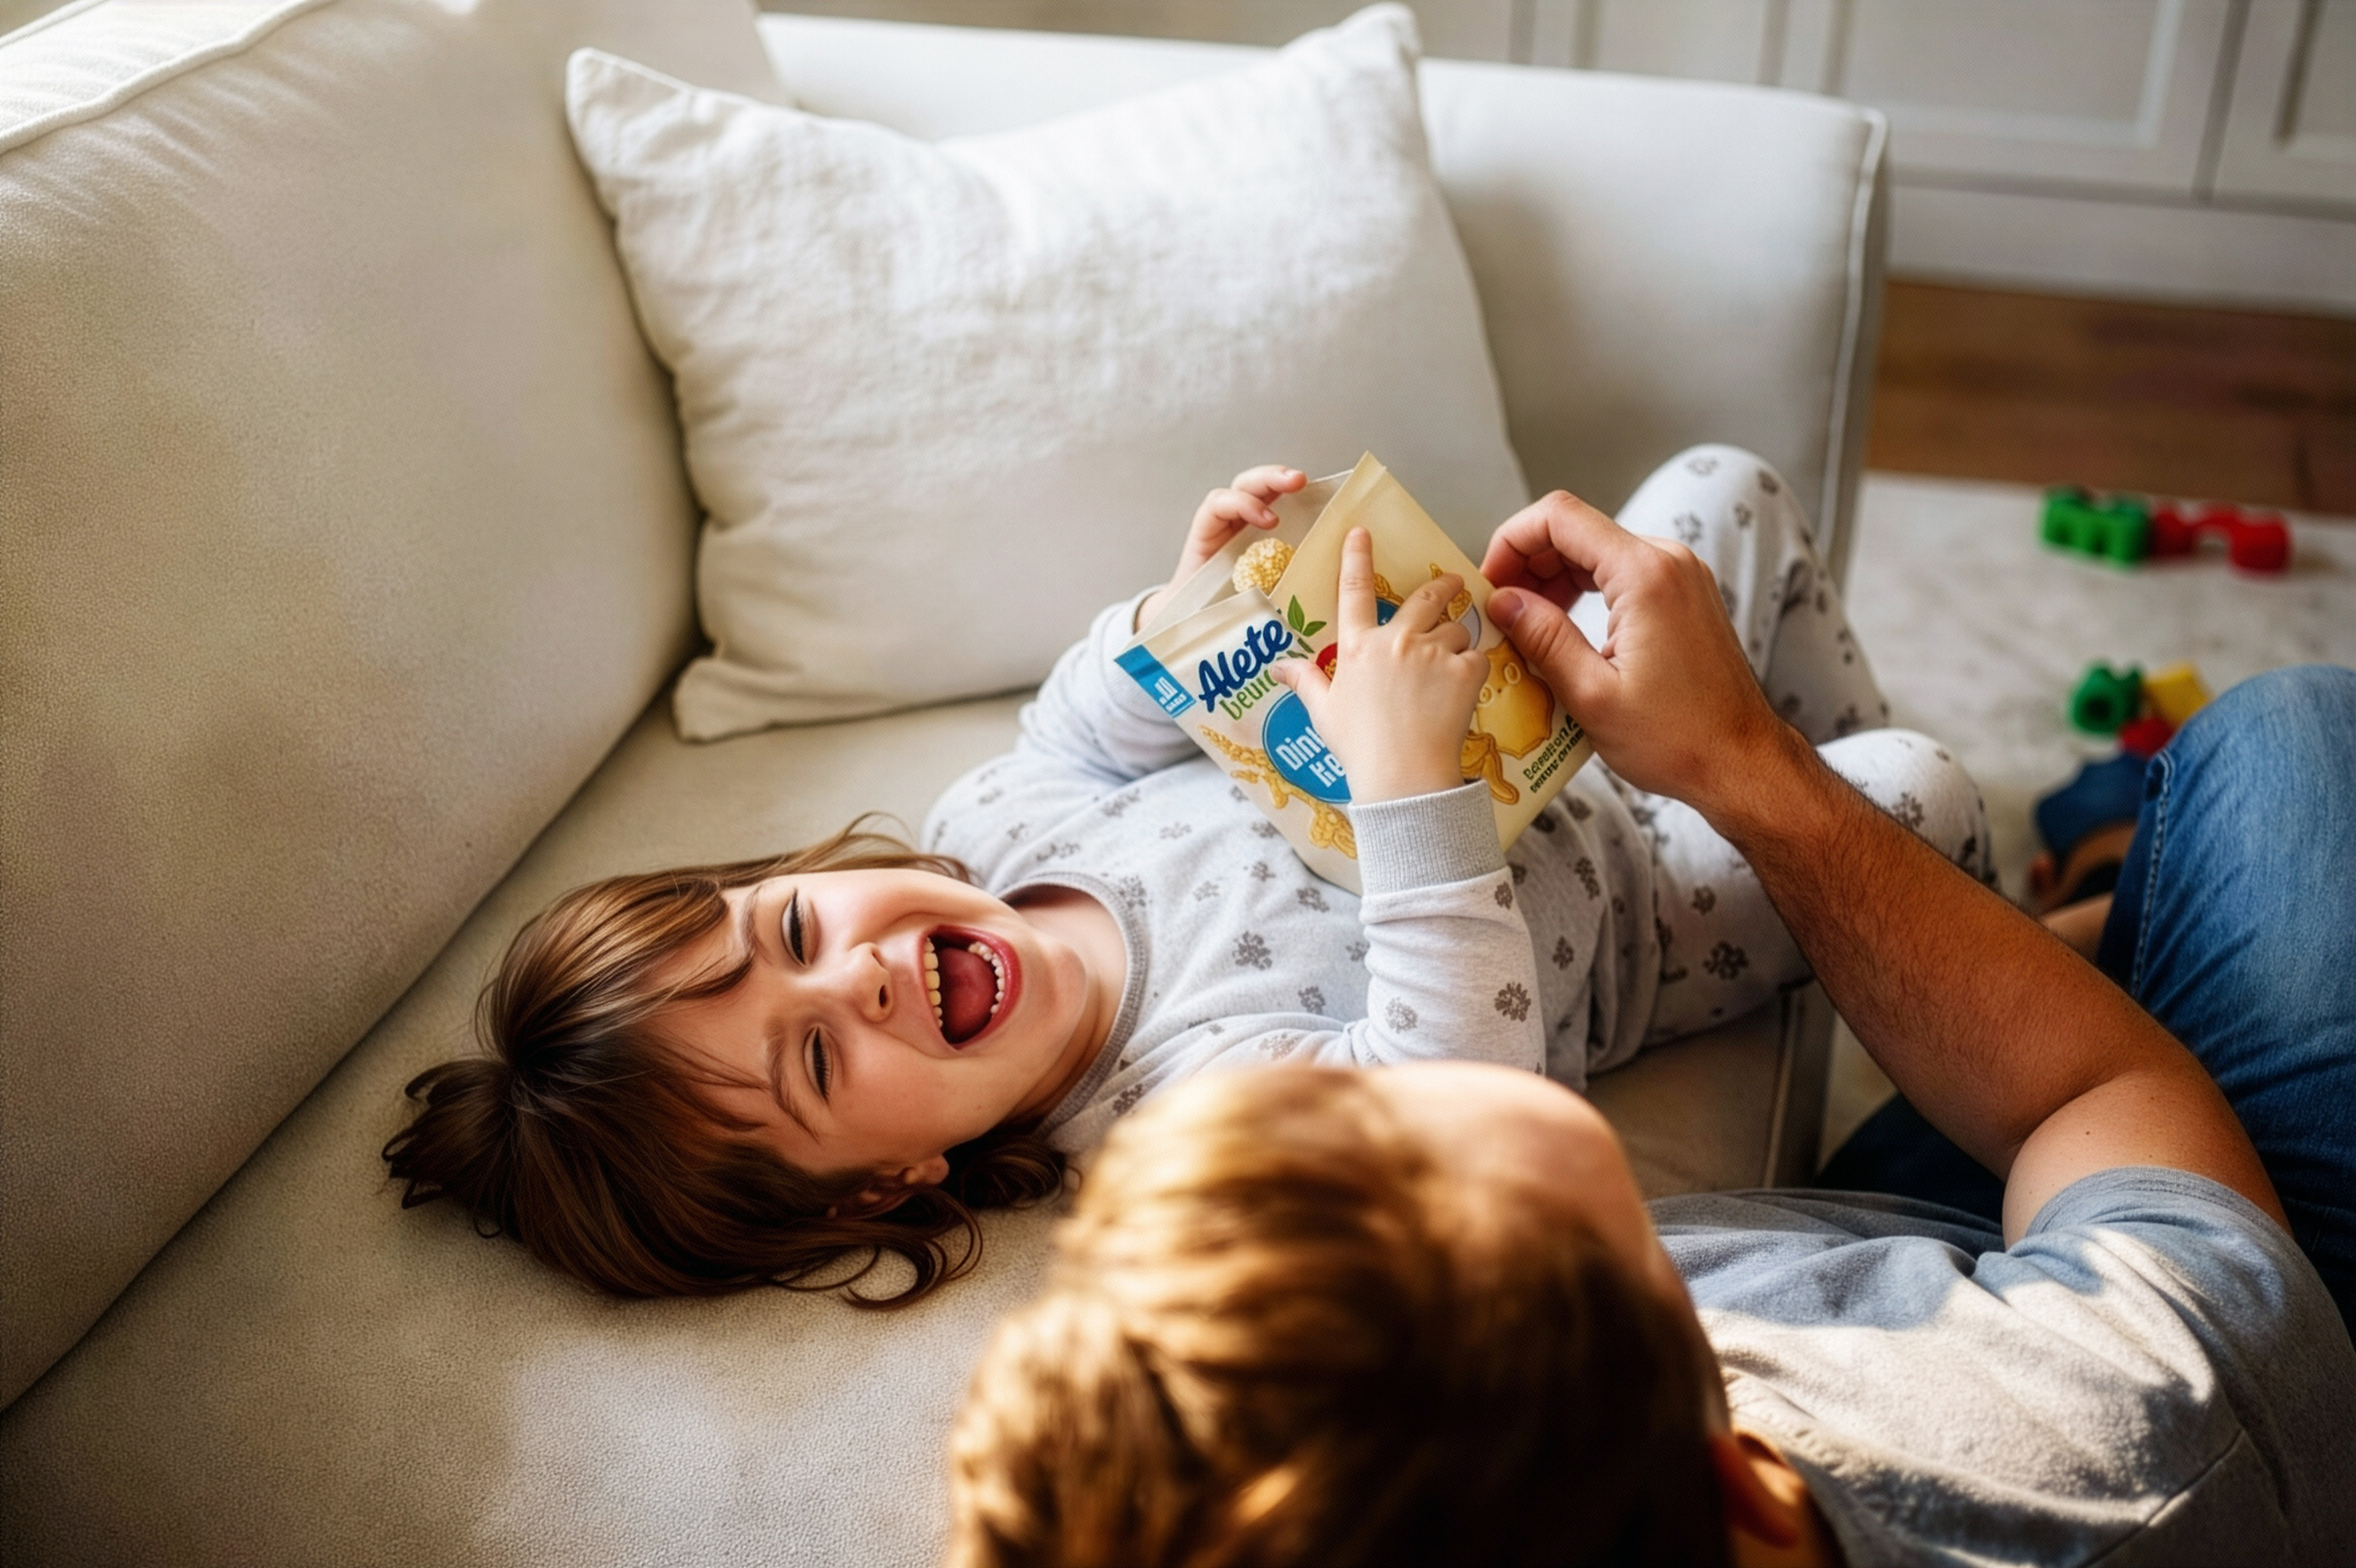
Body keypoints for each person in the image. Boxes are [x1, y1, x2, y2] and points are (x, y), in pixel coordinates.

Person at [943, 483, 2356, 1565]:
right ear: (1740, 1460)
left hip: (1969, 1248)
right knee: (2285, 752)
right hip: (2219, 1288)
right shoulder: (2135, 1421)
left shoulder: (1540, 1470)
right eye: (1519, 1226)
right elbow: (2090, 1097)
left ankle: (2118, 901)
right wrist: (1744, 763)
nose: (1363, 1129)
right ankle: (2122, 889)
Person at [381, 449, 1984, 1300]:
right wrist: (1409, 782)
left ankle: (1833, 785)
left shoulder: (1000, 837)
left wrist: (1188, 606)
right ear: (882, 1189)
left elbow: (1080, 727)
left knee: (1722, 492)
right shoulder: (1177, 1126)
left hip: (1545, 723)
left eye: (791, 930)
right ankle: (1948, 905)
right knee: (1916, 794)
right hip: (1642, 910)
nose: (855, 975)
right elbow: (1458, 1088)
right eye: (816, 1056)